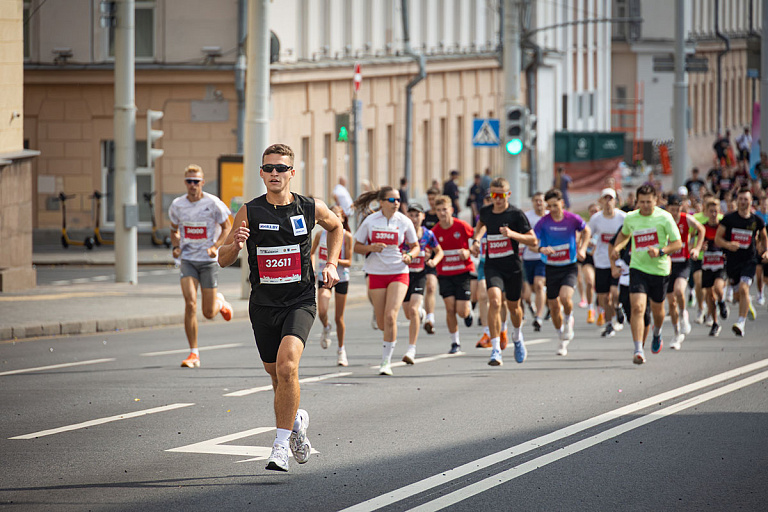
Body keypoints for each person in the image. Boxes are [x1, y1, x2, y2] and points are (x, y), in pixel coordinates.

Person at [218, 143, 343, 472]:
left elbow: (337, 227)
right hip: (263, 304)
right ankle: (296, 421)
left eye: (281, 168)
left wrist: (331, 263)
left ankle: (280, 446)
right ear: (261, 173)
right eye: (269, 168)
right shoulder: (249, 211)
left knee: (287, 368)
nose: (275, 173)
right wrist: (236, 244)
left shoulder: (309, 207)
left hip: (300, 300)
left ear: (292, 172)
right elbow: (222, 258)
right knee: (276, 375)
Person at [168, 164, 233, 369]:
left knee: (208, 313)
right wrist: (176, 246)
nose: (192, 185)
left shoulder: (213, 203)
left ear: (202, 182)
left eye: (196, 181)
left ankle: (219, 303)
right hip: (187, 260)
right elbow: (174, 230)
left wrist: (216, 246)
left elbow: (227, 227)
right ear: (185, 183)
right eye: (189, 181)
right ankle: (193, 352)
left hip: (208, 262)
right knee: (190, 304)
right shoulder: (177, 205)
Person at [610, 184, 681, 364]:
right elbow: (625, 234)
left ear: (656, 201)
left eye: (649, 202)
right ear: (637, 202)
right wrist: (618, 247)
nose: (645, 205)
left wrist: (661, 251)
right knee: (637, 307)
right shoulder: (631, 217)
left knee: (658, 311)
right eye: (642, 202)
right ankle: (638, 349)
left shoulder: (664, 217)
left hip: (659, 270)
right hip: (638, 268)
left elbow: (677, 243)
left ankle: (657, 333)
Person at [353, 186, 419, 375]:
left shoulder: (404, 221)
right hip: (376, 272)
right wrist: (371, 248)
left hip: (398, 271)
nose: (396, 203)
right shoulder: (370, 221)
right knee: (383, 323)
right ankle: (380, 320)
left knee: (391, 316)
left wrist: (409, 256)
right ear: (381, 202)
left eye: (398, 200)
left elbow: (415, 246)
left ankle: (386, 361)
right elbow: (356, 246)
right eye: (391, 200)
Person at [471, 177, 536, 366]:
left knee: (514, 307)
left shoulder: (516, 214)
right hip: (493, 266)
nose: (497, 199)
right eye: (494, 195)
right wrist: (476, 241)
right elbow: (481, 224)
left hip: (512, 267)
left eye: (501, 195)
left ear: (508, 194)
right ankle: (495, 350)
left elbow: (533, 240)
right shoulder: (486, 211)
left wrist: (512, 234)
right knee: (494, 301)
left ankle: (517, 336)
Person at [532, 189, 591, 356]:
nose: (552, 209)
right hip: (550, 267)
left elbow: (586, 231)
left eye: (555, 205)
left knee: (565, 297)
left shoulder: (572, 219)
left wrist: (582, 249)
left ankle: (568, 318)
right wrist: (541, 249)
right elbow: (532, 243)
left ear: (562, 203)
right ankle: (560, 337)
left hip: (569, 266)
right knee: (554, 306)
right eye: (549, 206)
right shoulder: (543, 222)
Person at [715, 187, 768, 336]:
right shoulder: (729, 219)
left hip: (749, 260)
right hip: (732, 262)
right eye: (740, 199)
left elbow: (764, 236)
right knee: (738, 296)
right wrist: (728, 245)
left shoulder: (756, 220)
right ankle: (747, 303)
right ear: (737, 201)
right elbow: (718, 239)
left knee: (744, 288)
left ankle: (740, 323)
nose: (743, 202)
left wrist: (766, 251)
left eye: (746, 199)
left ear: (751, 201)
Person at [431, 195, 476, 354]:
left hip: (462, 272)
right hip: (444, 274)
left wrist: (468, 251)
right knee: (450, 308)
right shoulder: (435, 232)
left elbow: (476, 239)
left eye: (444, 209)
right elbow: (428, 248)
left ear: (451, 210)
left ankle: (468, 311)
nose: (442, 213)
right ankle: (455, 342)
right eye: (438, 210)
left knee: (461, 311)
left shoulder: (461, 226)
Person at [310, 205, 354, 366]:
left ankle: (341, 350)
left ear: (342, 219)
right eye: (332, 215)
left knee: (339, 317)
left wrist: (333, 260)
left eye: (338, 216)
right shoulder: (320, 235)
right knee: (322, 310)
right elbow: (311, 253)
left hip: (341, 277)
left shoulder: (347, 236)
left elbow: (349, 262)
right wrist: (313, 268)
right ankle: (326, 327)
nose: (335, 218)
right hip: (324, 276)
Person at [401, 202, 443, 363]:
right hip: (404, 275)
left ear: (423, 216)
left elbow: (439, 252)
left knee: (412, 310)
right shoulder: (402, 233)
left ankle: (411, 349)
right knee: (408, 313)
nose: (414, 219)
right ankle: (421, 313)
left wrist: (433, 261)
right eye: (411, 215)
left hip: (419, 275)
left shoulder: (427, 234)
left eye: (417, 215)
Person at [664, 194, 705, 349]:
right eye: (672, 209)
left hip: (682, 263)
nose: (675, 213)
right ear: (667, 208)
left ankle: (683, 315)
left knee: (679, 291)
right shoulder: (663, 220)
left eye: (677, 209)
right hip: (666, 264)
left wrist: (697, 248)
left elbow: (701, 229)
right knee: (671, 301)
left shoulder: (685, 219)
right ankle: (676, 334)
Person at [588, 188, 627, 338]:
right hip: (601, 261)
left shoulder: (622, 217)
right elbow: (588, 234)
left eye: (611, 198)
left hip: (618, 261)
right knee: (604, 297)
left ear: (615, 201)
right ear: (601, 201)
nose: (608, 202)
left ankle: (618, 306)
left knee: (614, 293)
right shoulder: (596, 219)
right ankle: (609, 323)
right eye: (605, 198)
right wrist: (587, 244)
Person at [699, 198, 728, 336]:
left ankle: (722, 302)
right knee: (710, 296)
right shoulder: (702, 228)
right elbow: (696, 244)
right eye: (711, 211)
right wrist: (701, 247)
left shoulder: (723, 227)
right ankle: (715, 323)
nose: (713, 214)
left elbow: (728, 241)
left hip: (720, 264)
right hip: (707, 264)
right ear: (706, 212)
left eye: (715, 211)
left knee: (718, 288)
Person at [522, 192, 548, 332]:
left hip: (543, 257)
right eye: (536, 200)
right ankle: (545, 300)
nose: (538, 203)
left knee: (539, 285)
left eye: (541, 200)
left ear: (545, 203)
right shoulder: (528, 217)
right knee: (530, 291)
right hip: (529, 257)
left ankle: (538, 317)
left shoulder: (549, 216)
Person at [421, 187, 441, 334]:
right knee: (428, 287)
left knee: (431, 287)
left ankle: (430, 317)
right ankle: (426, 316)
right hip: (424, 257)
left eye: (434, 199)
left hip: (439, 256)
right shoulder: (425, 216)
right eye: (429, 199)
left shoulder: (443, 216)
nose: (431, 202)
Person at [754, 194, 768, 306]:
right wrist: (757, 245)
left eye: (766, 204)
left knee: (766, 278)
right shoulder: (756, 216)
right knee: (758, 274)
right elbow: (755, 234)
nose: (764, 206)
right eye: (763, 204)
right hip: (759, 248)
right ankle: (760, 294)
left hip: (767, 248)